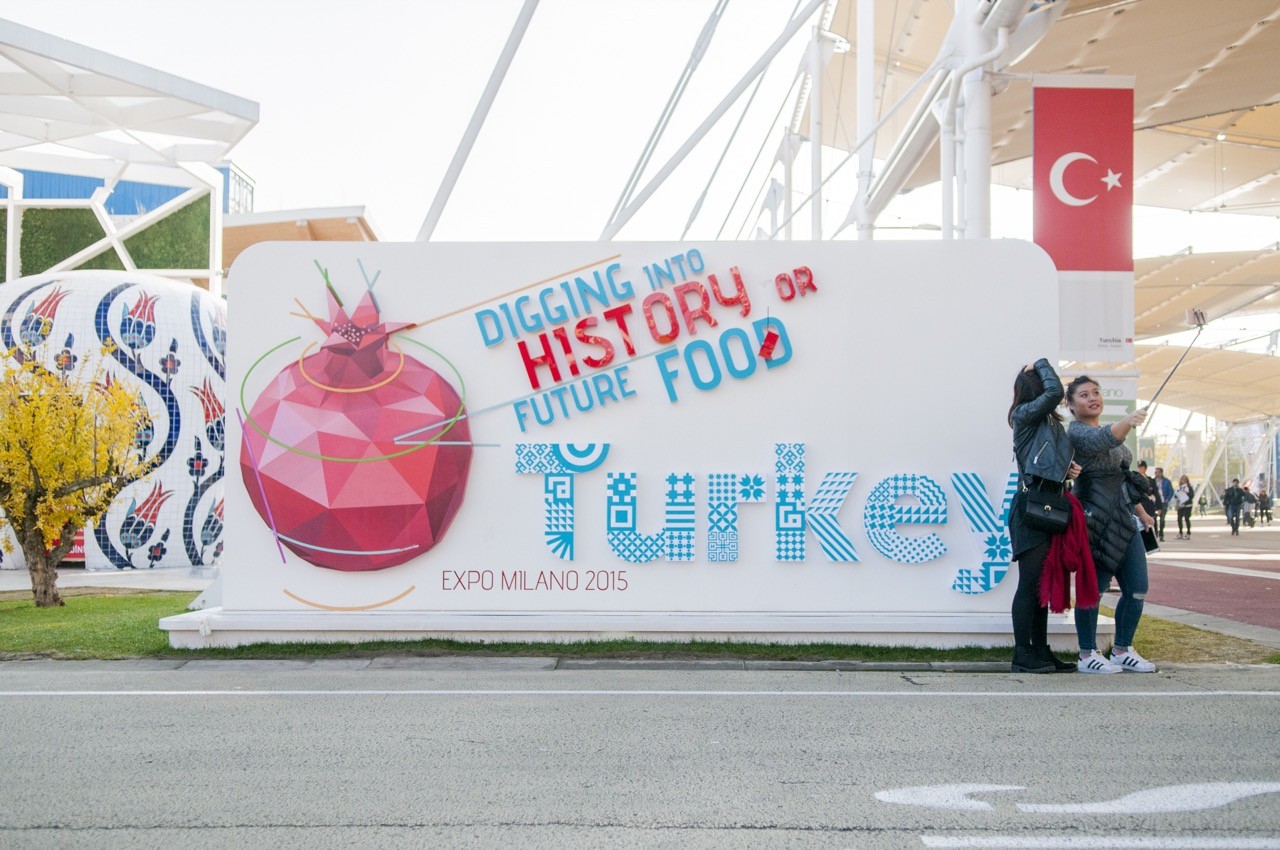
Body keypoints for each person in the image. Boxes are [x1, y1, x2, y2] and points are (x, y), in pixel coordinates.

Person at [1065, 377, 1157, 673]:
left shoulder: (1106, 431)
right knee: (1095, 589)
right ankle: (1087, 654)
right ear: (1070, 404)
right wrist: (1129, 421)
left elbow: (1122, 476)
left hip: (1124, 518)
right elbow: (1105, 439)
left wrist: (1141, 512)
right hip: (1095, 521)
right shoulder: (1077, 432)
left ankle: (1121, 649)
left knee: (1138, 588)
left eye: (1096, 392)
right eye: (1083, 395)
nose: (1093, 398)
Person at [1007, 359, 1084, 674]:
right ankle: (1022, 654)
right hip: (1032, 508)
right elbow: (1055, 393)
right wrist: (1040, 362)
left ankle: (1039, 651)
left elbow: (1046, 461)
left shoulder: (1049, 424)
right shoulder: (1022, 415)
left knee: (1041, 583)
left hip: (1049, 504)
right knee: (1030, 583)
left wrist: (1067, 469)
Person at [1153, 467, 1173, 542]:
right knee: (1154, 519)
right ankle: (1156, 533)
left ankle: (1161, 534)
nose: (1156, 474)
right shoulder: (1153, 481)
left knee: (1162, 519)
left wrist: (1167, 499)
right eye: (1155, 472)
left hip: (1163, 503)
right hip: (1155, 503)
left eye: (1157, 472)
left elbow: (1171, 491)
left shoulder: (1167, 481)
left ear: (1161, 473)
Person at [1174, 475, 1194, 539]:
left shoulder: (1189, 488)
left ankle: (1188, 533)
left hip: (1187, 506)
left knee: (1187, 519)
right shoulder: (1178, 487)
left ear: (1187, 480)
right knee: (1179, 519)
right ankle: (1180, 533)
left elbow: (1191, 495)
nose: (1183, 480)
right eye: (1182, 479)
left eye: (1185, 479)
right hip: (1180, 506)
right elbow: (1175, 496)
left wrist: (1185, 492)